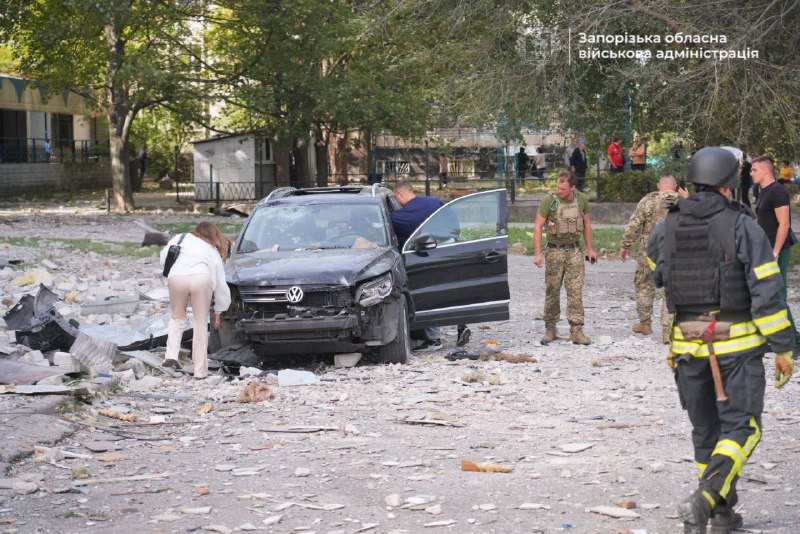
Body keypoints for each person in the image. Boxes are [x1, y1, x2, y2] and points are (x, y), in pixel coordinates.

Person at [647, 147, 795, 533]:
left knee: (706, 431)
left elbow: (655, 269)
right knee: (743, 428)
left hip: (686, 347)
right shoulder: (742, 225)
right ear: (730, 186)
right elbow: (766, 288)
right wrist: (783, 346)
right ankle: (707, 499)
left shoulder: (668, 225)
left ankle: (720, 514)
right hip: (737, 349)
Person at [391, 180, 471, 350]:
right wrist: (453, 237)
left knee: (429, 293)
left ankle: (434, 340)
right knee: (453, 290)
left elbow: (398, 237)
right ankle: (462, 324)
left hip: (429, 255)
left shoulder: (402, 215)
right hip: (450, 248)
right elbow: (453, 219)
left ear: (400, 194)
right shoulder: (435, 201)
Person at [619, 174, 687, 344]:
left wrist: (625, 245)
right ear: (675, 185)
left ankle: (645, 323)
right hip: (675, 250)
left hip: (649, 249)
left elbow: (634, 225)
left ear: (659, 185)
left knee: (644, 285)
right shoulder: (684, 201)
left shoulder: (649, 200)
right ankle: (668, 331)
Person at [160, 222, 231, 379]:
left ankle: (171, 355)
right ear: (213, 235)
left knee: (177, 317)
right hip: (201, 278)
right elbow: (220, 280)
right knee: (200, 323)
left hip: (176, 277)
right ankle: (200, 371)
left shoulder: (180, 238)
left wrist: (169, 279)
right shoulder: (210, 248)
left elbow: (164, 258)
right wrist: (219, 309)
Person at [534, 172, 598, 345]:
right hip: (555, 251)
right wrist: (538, 253)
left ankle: (576, 330)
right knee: (552, 290)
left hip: (574, 251)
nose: (559, 190)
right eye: (558, 187)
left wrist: (590, 249)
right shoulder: (550, 201)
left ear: (572, 187)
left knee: (575, 291)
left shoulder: (581, 199)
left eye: (563, 188)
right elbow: (538, 226)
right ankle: (550, 328)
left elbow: (587, 224)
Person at [751, 155, 800, 346]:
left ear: (765, 170)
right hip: (766, 249)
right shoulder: (764, 190)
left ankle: (793, 339)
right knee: (766, 295)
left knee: (777, 295)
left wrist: (775, 252)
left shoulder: (777, 192)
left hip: (777, 249)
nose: (751, 173)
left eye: (754, 170)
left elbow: (785, 224)